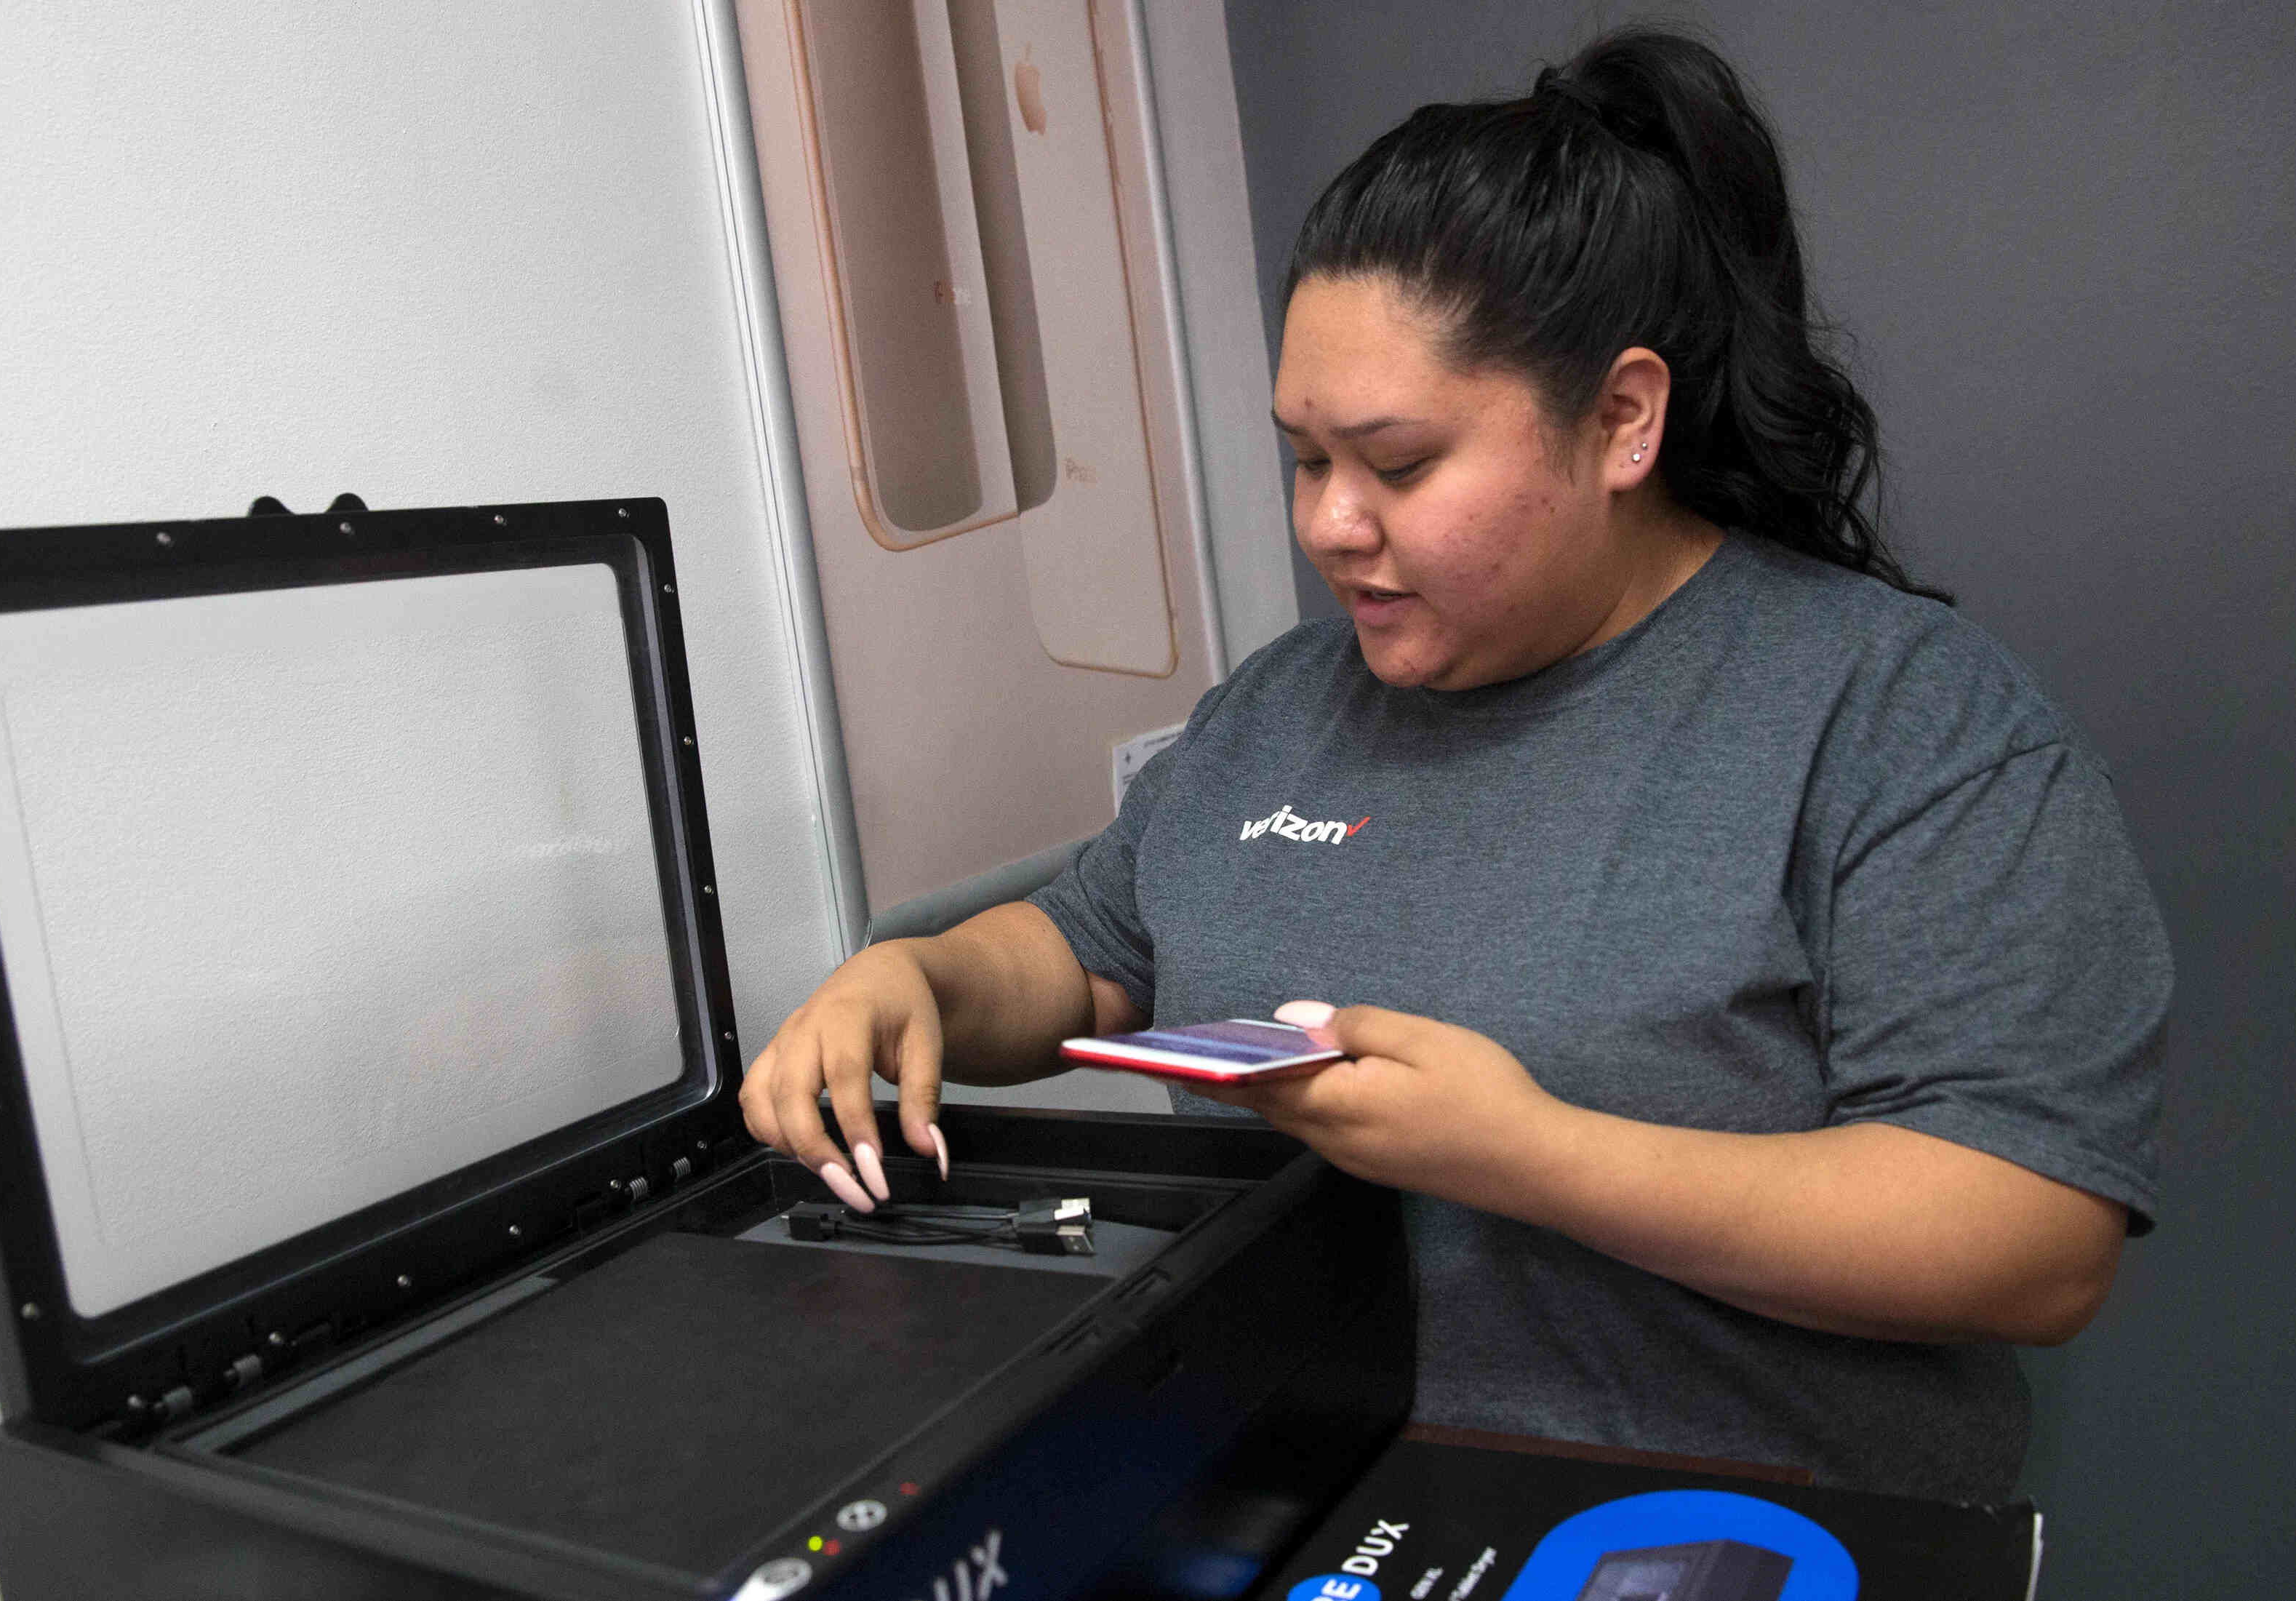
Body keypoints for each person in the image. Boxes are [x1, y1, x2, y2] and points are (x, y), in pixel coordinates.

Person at [739, 27, 2167, 1504]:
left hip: (1718, 1533)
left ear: (1621, 420)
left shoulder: (1895, 714)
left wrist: (1523, 1152)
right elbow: (1090, 950)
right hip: (1305, 1512)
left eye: (1399, 464)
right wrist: (910, 983)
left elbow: (2027, 1239)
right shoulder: (1279, 711)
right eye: (1305, 459)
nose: (1331, 526)